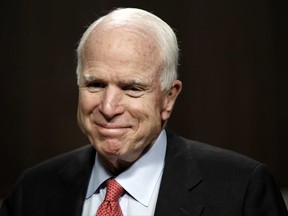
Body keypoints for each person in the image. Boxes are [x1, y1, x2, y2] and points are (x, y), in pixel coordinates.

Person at [0, 7, 287, 216]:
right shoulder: (32, 190)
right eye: (95, 84)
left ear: (169, 99)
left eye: (132, 88)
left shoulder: (242, 190)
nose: (108, 107)